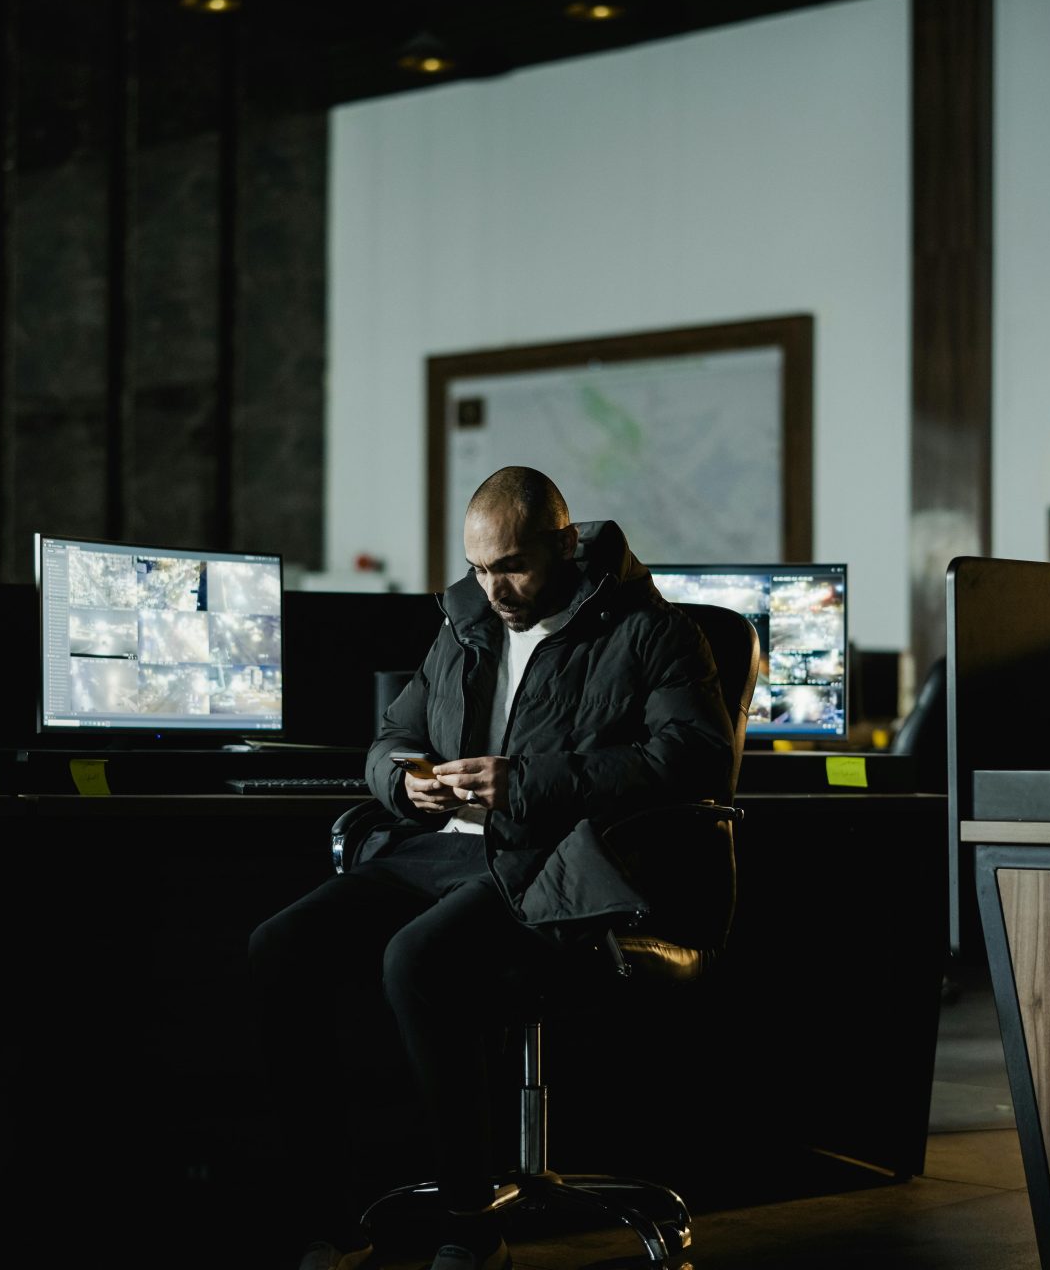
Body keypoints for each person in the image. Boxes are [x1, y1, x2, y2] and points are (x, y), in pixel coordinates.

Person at [248, 467, 734, 1270]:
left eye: (511, 565)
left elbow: (697, 762)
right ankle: (328, 1221)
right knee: (279, 946)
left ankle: (471, 1227)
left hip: (560, 860)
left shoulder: (653, 634)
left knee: (418, 959)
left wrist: (527, 783)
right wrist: (402, 778)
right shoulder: (465, 626)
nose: (494, 586)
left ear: (565, 544)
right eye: (478, 567)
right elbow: (389, 737)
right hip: (439, 849)